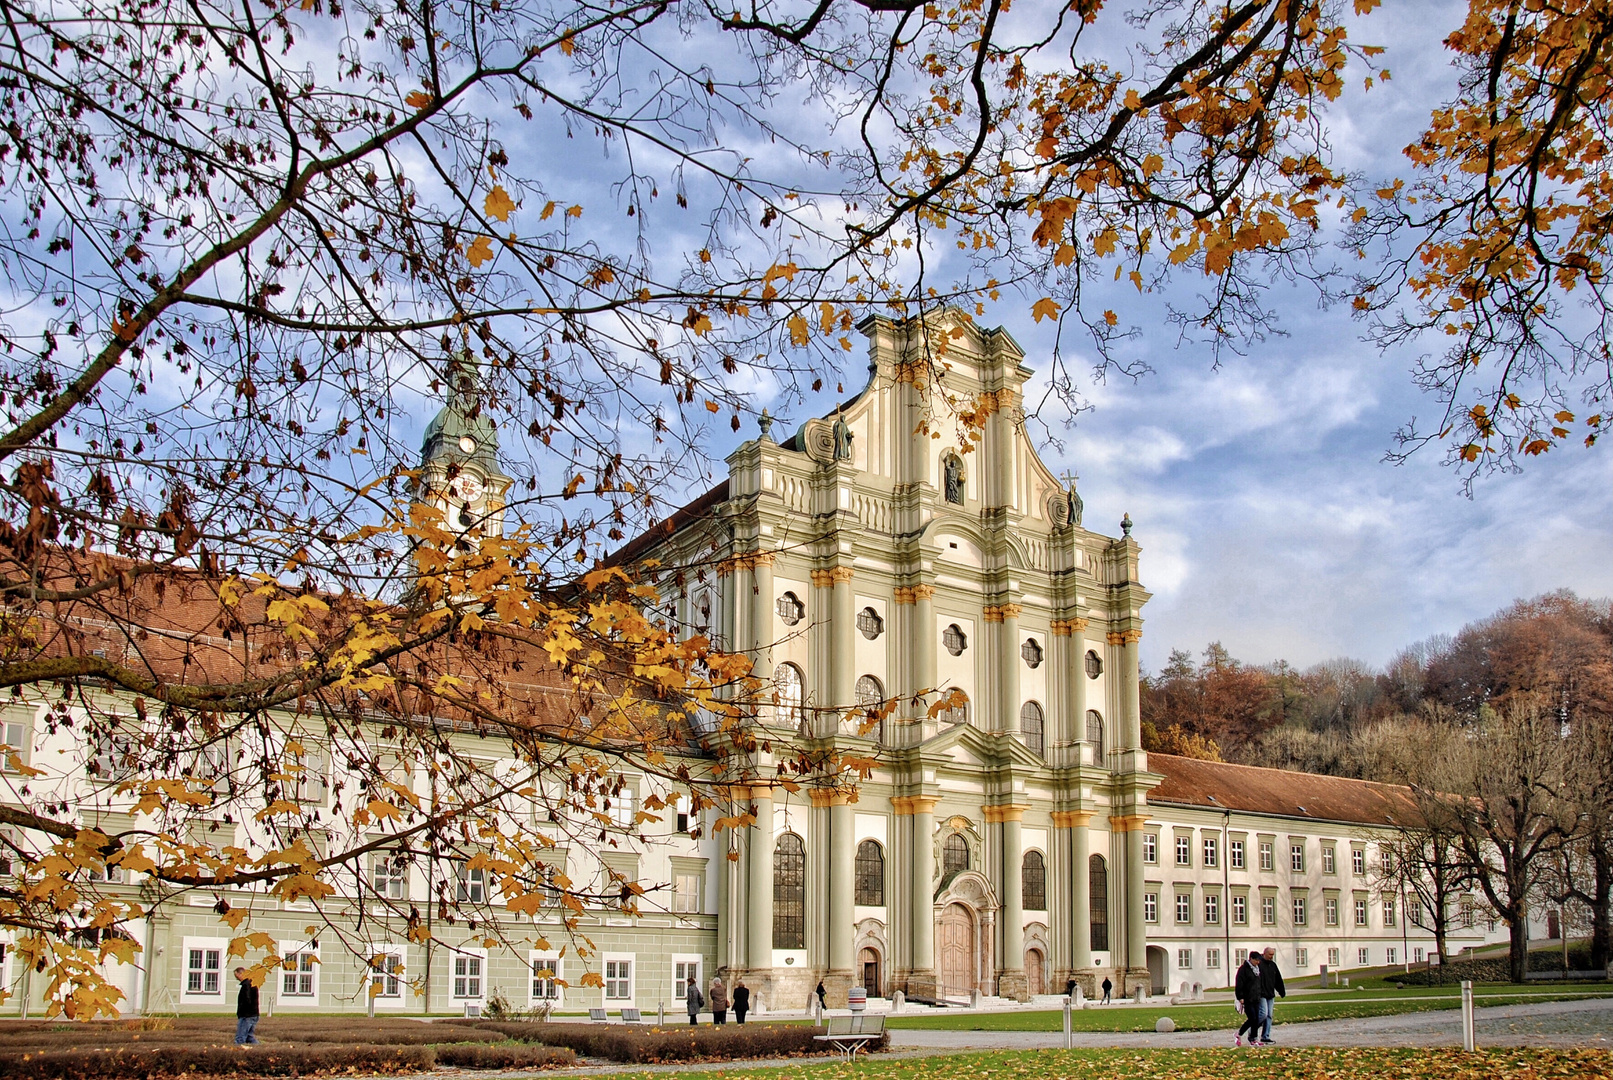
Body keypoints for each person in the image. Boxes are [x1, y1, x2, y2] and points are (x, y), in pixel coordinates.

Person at [1233, 951, 1263, 1047]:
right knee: (1252, 1018)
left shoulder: (1257, 969)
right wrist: (1240, 997)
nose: (1258, 962)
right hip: (1247, 998)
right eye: (1257, 960)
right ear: (1252, 959)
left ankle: (1254, 1038)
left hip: (1256, 997)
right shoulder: (1243, 969)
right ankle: (1239, 1034)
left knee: (1256, 1019)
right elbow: (1239, 984)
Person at [1259, 946, 1287, 1044]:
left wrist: (1281, 991)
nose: (1271, 956)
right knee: (1263, 1014)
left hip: (1270, 994)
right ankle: (1253, 1029)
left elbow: (1278, 979)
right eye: (1270, 954)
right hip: (1261, 994)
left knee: (1269, 1015)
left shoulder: (1273, 965)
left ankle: (1265, 1036)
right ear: (1265, 953)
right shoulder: (1259, 964)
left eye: (1273, 955)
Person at [233, 967, 260, 1046]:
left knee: (240, 1037)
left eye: (236, 975)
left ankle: (238, 1052)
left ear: (240, 974)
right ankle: (260, 1048)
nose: (236, 978)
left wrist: (242, 1012)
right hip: (254, 1014)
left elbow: (246, 1000)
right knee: (249, 1037)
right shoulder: (253, 983)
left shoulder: (246, 985)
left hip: (247, 1015)